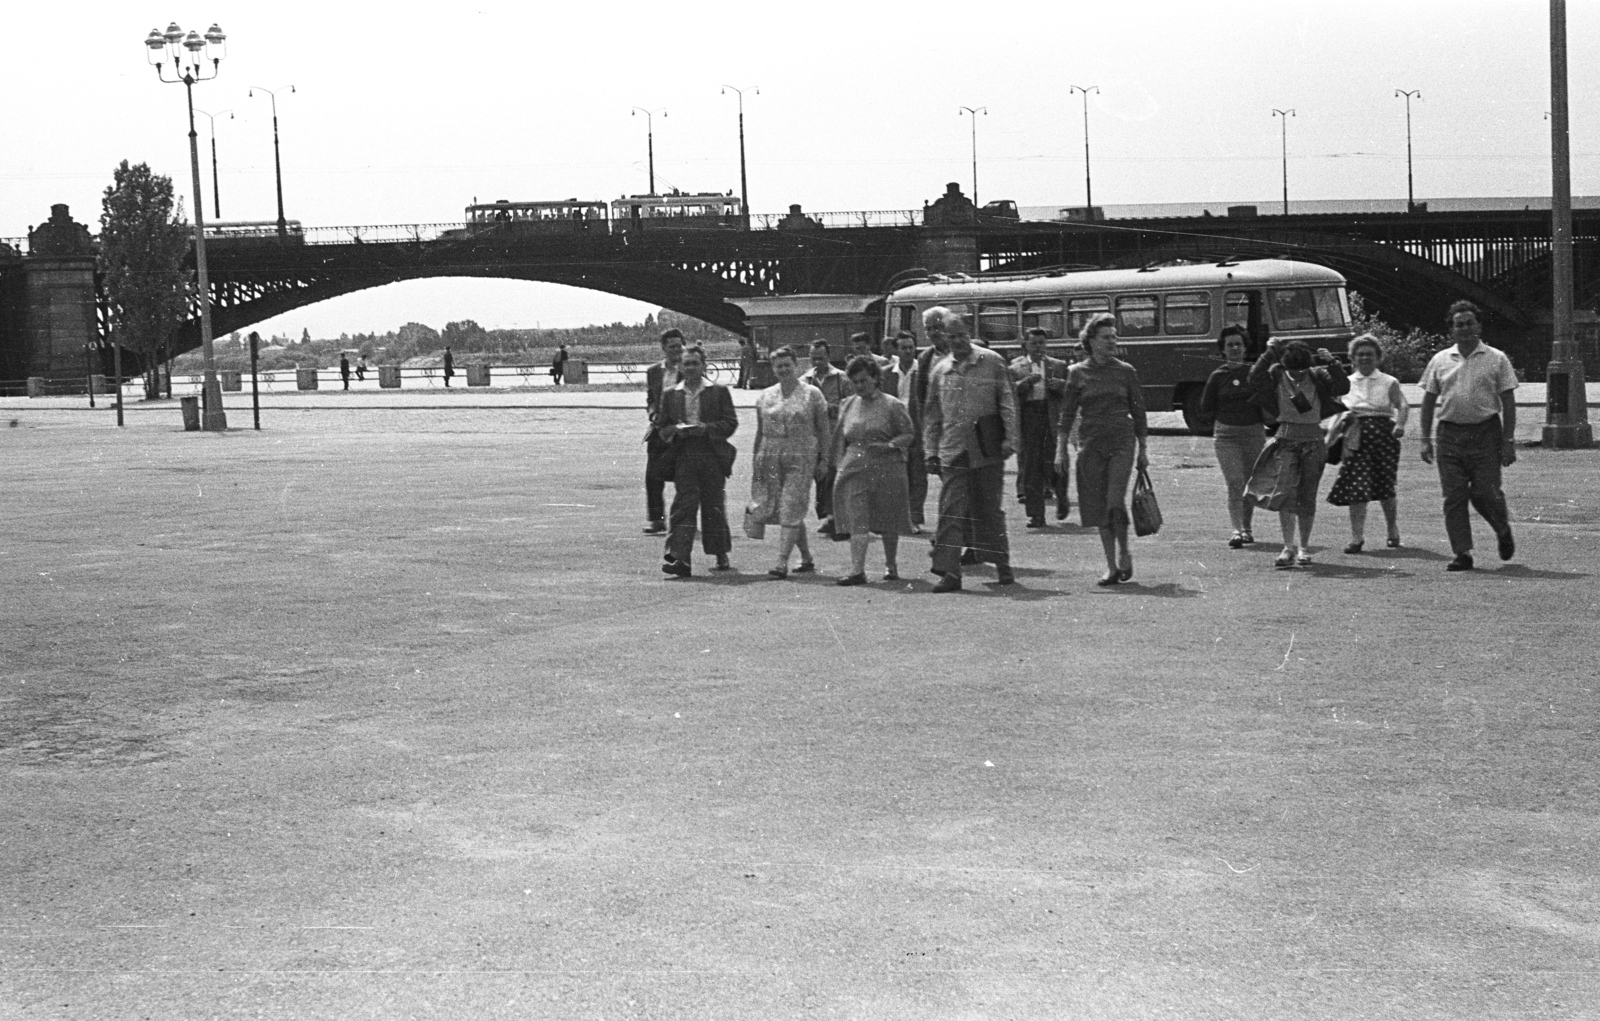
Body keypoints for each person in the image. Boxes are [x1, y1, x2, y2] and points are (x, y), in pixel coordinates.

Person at [1418, 299, 1519, 572]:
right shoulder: (1440, 360)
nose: (1464, 328)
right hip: (1449, 435)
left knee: (1486, 492)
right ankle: (1462, 553)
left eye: (1469, 323)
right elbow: (1428, 402)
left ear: (1479, 325)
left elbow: (1508, 402)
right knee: (1454, 496)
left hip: (1486, 433)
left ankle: (1502, 528)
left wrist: (1508, 441)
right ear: (1451, 329)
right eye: (1458, 324)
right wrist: (1425, 440)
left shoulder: (1496, 359)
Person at [923, 306, 1019, 592]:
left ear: (970, 334)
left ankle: (1002, 565)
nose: (957, 342)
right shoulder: (940, 371)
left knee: (989, 510)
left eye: (962, 335)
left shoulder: (992, 362)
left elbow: (1007, 403)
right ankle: (951, 573)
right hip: (953, 451)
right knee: (950, 511)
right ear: (944, 338)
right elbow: (932, 416)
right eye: (951, 337)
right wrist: (930, 452)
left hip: (987, 449)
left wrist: (1010, 439)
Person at [1054, 314, 1150, 586]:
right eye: (1106, 337)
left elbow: (1139, 410)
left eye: (1114, 337)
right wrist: (1060, 450)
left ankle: (1124, 551)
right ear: (1091, 341)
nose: (1112, 342)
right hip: (1091, 443)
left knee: (1114, 500)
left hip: (1121, 440)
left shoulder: (1126, 371)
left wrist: (1143, 449)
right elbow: (1067, 414)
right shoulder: (1077, 373)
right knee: (1097, 506)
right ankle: (1110, 566)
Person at [1245, 337, 1350, 569]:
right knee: (1284, 495)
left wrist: (1332, 362)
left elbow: (1342, 387)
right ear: (1284, 365)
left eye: (1303, 371)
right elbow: (1253, 379)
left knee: (1307, 495)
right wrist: (1269, 353)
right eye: (1293, 372)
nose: (1299, 375)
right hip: (1285, 439)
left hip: (1313, 441)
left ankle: (1303, 547)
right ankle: (1287, 547)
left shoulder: (1317, 375)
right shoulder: (1276, 373)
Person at [830, 356, 917, 584]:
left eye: (863, 381)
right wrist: (837, 465)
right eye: (855, 382)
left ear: (876, 378)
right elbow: (840, 436)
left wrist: (890, 445)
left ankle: (891, 565)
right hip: (855, 466)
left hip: (887, 466)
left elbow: (908, 434)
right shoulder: (848, 404)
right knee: (856, 517)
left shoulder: (893, 404)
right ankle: (857, 570)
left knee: (888, 517)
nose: (859, 386)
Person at [749, 346, 831, 578]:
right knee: (786, 508)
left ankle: (781, 562)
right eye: (779, 366)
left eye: (787, 364)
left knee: (791, 504)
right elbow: (760, 431)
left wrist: (825, 460)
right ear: (773, 369)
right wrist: (756, 459)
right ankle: (806, 557)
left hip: (802, 454)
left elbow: (824, 431)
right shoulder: (765, 395)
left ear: (796, 365)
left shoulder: (812, 394)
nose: (783, 369)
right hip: (771, 453)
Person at [657, 345, 738, 577]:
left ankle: (720, 551)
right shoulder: (671, 394)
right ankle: (679, 558)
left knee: (713, 504)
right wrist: (675, 429)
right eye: (687, 363)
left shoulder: (718, 391)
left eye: (695, 363)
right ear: (680, 366)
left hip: (711, 453)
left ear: (704, 365)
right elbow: (661, 428)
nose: (691, 368)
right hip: (684, 454)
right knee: (684, 505)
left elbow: (730, 423)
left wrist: (707, 429)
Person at [1328, 334, 1408, 552]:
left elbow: (1402, 405)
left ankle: (1392, 530)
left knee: (1385, 486)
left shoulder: (1389, 381)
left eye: (1369, 354)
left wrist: (1400, 425)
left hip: (1384, 437)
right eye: (1360, 354)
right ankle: (1357, 538)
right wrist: (1330, 438)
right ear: (1352, 358)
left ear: (1378, 357)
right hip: (1355, 437)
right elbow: (1337, 412)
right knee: (1357, 487)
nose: (1365, 358)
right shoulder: (1346, 383)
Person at [1198, 325, 1267, 548]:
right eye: (1230, 345)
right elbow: (1205, 408)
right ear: (1223, 350)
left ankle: (1247, 528)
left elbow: (1267, 402)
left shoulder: (1254, 372)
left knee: (1250, 484)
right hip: (1226, 436)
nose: (1235, 348)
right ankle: (1236, 530)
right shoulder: (1217, 377)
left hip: (1254, 434)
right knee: (1235, 481)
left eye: (1238, 344)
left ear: (1245, 348)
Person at [1008, 327, 1071, 528]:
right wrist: (1025, 383)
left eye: (1042, 343)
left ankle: (1061, 497)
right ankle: (1036, 514)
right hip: (1029, 418)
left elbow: (1072, 391)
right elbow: (1009, 394)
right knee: (1031, 467)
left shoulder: (1058, 366)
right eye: (1033, 343)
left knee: (1056, 463)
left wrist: (1061, 385)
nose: (1038, 347)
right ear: (1025, 345)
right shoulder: (1015, 368)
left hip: (1050, 417)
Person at [800, 340, 849, 534]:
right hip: (814, 438)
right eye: (813, 358)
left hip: (836, 437)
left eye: (820, 358)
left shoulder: (841, 378)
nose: (817, 362)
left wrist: (833, 409)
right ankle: (827, 516)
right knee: (820, 478)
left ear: (828, 357)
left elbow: (852, 404)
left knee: (835, 478)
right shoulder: (805, 380)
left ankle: (836, 517)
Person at [643, 329, 686, 534]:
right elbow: (651, 398)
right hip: (658, 429)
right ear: (663, 349)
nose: (676, 350)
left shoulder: (690, 368)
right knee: (652, 476)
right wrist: (652, 414)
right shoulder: (653, 371)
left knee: (683, 477)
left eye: (679, 345)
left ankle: (683, 520)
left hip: (680, 430)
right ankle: (656, 520)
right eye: (672, 347)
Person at [890, 330, 929, 532]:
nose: (908, 351)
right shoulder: (887, 373)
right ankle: (899, 517)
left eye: (911, 347)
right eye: (903, 348)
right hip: (895, 432)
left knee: (917, 476)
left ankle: (914, 518)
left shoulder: (923, 372)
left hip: (918, 430)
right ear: (896, 350)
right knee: (897, 476)